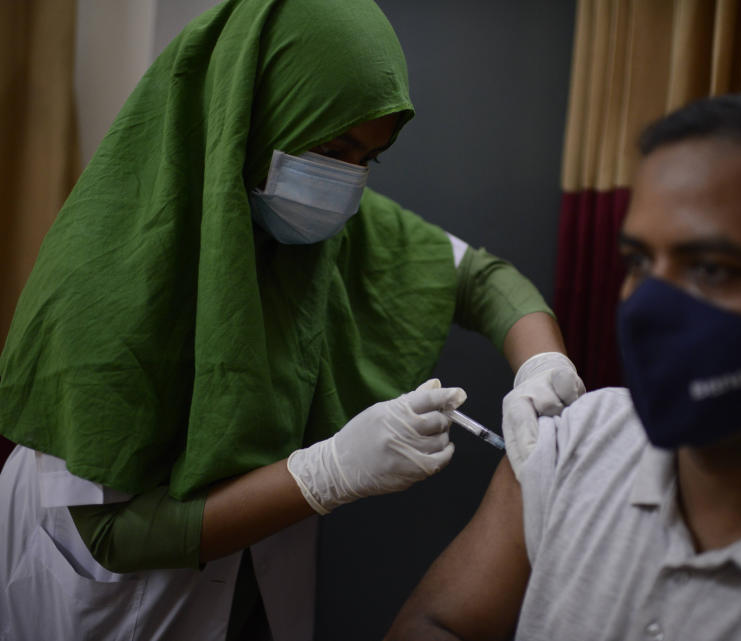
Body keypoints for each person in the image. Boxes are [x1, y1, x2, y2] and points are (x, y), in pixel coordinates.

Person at [0, 1, 583, 640]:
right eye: (333, 148)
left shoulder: (322, 232)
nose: (348, 182)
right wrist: (324, 473)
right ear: (255, 112)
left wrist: (541, 365)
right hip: (122, 604)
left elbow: (483, 279)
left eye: (370, 158)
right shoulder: (102, 280)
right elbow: (106, 534)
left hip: (257, 591)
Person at [385, 90, 741, 640]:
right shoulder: (577, 441)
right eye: (639, 260)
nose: (648, 312)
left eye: (710, 268)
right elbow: (439, 624)